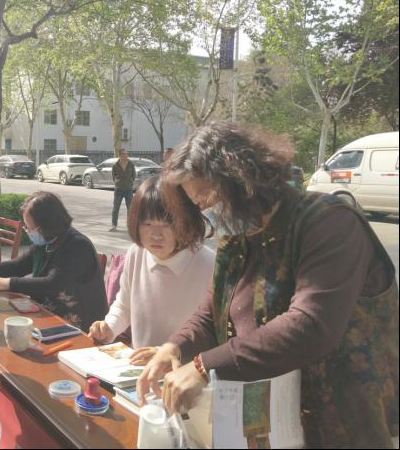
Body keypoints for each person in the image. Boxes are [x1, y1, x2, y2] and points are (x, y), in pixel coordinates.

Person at [137, 121, 399, 449]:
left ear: (241, 177)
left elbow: (311, 325)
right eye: (198, 204)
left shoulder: (329, 222)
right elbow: (213, 311)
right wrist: (175, 347)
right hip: (271, 421)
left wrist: (204, 367)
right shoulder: (238, 236)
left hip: (341, 420)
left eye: (208, 196)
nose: (207, 209)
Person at [88, 175, 215, 365]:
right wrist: (109, 327)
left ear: (186, 222)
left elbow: (213, 331)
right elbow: (125, 305)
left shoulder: (209, 264)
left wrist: (174, 354)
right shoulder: (136, 253)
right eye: (147, 224)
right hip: (138, 367)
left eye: (167, 224)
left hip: (185, 372)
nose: (156, 235)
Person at [0, 191, 108, 331]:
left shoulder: (77, 245)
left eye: (31, 228)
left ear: (47, 224)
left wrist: (4, 283)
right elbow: (20, 265)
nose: (28, 231)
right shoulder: (47, 239)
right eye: (27, 227)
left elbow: (52, 284)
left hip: (82, 324)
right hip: (48, 312)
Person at [109, 149, 135, 232]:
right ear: (120, 155)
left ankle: (130, 226)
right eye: (124, 154)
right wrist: (118, 183)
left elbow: (133, 175)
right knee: (115, 208)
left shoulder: (131, 164)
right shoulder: (115, 165)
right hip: (118, 190)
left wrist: (130, 183)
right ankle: (114, 226)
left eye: (126, 154)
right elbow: (114, 176)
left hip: (128, 190)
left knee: (130, 209)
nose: (125, 155)